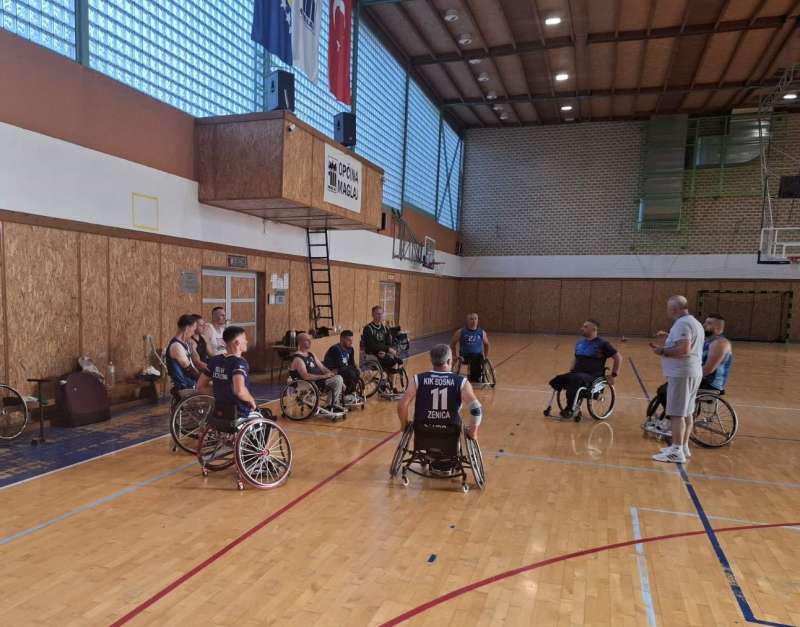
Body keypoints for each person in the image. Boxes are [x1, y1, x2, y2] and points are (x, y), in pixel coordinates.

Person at [397, 344, 482, 474]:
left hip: (422, 430)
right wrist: (473, 432)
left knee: (420, 427)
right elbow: (476, 409)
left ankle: (430, 455)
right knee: (460, 425)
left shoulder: (418, 379)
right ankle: (449, 457)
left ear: (432, 360)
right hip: (450, 431)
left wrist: (404, 425)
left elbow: (402, 405)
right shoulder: (461, 382)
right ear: (449, 361)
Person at [648, 313, 733, 435]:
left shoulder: (720, 344)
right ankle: (672, 421)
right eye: (705, 322)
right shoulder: (708, 341)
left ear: (718, 328)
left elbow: (708, 369)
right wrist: (667, 338)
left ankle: (673, 424)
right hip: (699, 378)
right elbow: (687, 346)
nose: (704, 325)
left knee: (669, 390)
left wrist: (687, 375)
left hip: (710, 384)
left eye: (709, 323)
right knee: (663, 390)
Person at [649, 295, 705, 464]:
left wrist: (662, 351)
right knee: (686, 412)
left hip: (682, 374)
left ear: (674, 309)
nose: (667, 311)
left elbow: (683, 349)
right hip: (691, 372)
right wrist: (668, 338)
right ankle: (683, 446)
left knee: (676, 413)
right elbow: (684, 343)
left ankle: (676, 450)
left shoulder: (682, 323)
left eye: (668, 308)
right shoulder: (694, 322)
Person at [548, 320, 621, 419]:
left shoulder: (603, 344)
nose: (582, 328)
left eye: (585, 327)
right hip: (577, 373)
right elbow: (576, 357)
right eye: (583, 326)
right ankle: (560, 406)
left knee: (576, 379)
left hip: (593, 375)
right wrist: (571, 370)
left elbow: (618, 358)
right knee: (559, 379)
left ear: (594, 329)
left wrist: (613, 375)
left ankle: (569, 409)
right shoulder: (580, 342)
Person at [197, 326, 257, 419]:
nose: (246, 341)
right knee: (263, 415)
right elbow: (239, 391)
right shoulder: (239, 363)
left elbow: (200, 386)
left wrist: (219, 394)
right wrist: (251, 400)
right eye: (244, 338)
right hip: (239, 411)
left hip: (219, 409)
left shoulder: (214, 360)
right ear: (237, 342)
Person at [290, 333, 346, 414]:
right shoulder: (298, 359)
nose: (310, 341)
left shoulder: (311, 354)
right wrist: (324, 376)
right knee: (338, 379)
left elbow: (323, 368)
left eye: (310, 339)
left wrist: (331, 375)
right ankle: (330, 405)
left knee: (338, 378)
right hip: (309, 383)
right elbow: (305, 376)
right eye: (307, 340)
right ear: (300, 342)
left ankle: (331, 404)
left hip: (318, 380)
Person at [362, 306, 403, 393]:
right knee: (393, 362)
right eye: (378, 314)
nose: (380, 316)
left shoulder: (385, 328)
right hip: (372, 354)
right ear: (373, 314)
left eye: (381, 314)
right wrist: (387, 350)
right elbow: (371, 346)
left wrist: (387, 351)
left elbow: (388, 343)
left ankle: (391, 385)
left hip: (383, 353)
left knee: (397, 361)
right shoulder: (368, 329)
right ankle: (390, 386)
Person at [450, 313, 490, 383]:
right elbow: (452, 344)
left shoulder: (481, 332)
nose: (474, 321)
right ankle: (475, 377)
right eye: (471, 319)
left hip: (478, 356)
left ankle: (477, 376)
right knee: (474, 357)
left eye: (475, 319)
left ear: (478, 320)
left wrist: (486, 356)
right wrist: (454, 355)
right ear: (467, 321)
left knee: (478, 357)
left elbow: (486, 344)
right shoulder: (461, 331)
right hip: (465, 356)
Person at [166, 314, 200, 393]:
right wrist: (203, 379)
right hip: (185, 385)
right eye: (193, 330)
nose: (193, 333)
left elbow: (193, 364)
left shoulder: (185, 344)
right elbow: (189, 369)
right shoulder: (176, 346)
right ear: (187, 328)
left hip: (190, 382)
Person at [323, 330, 361, 403]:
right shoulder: (335, 349)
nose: (351, 342)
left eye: (352, 340)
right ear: (342, 339)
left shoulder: (351, 349)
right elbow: (340, 365)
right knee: (350, 373)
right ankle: (346, 395)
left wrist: (356, 367)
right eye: (348, 340)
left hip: (343, 369)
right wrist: (352, 367)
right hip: (332, 371)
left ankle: (349, 393)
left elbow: (351, 363)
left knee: (357, 372)